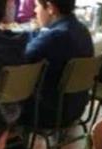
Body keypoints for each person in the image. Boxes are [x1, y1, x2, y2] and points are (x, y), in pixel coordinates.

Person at [24, 0, 94, 128]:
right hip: (75, 107)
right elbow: (38, 37)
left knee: (3, 99)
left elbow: (23, 56)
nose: (35, 11)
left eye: (37, 6)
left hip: (49, 112)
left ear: (50, 8)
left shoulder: (56, 36)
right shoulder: (81, 29)